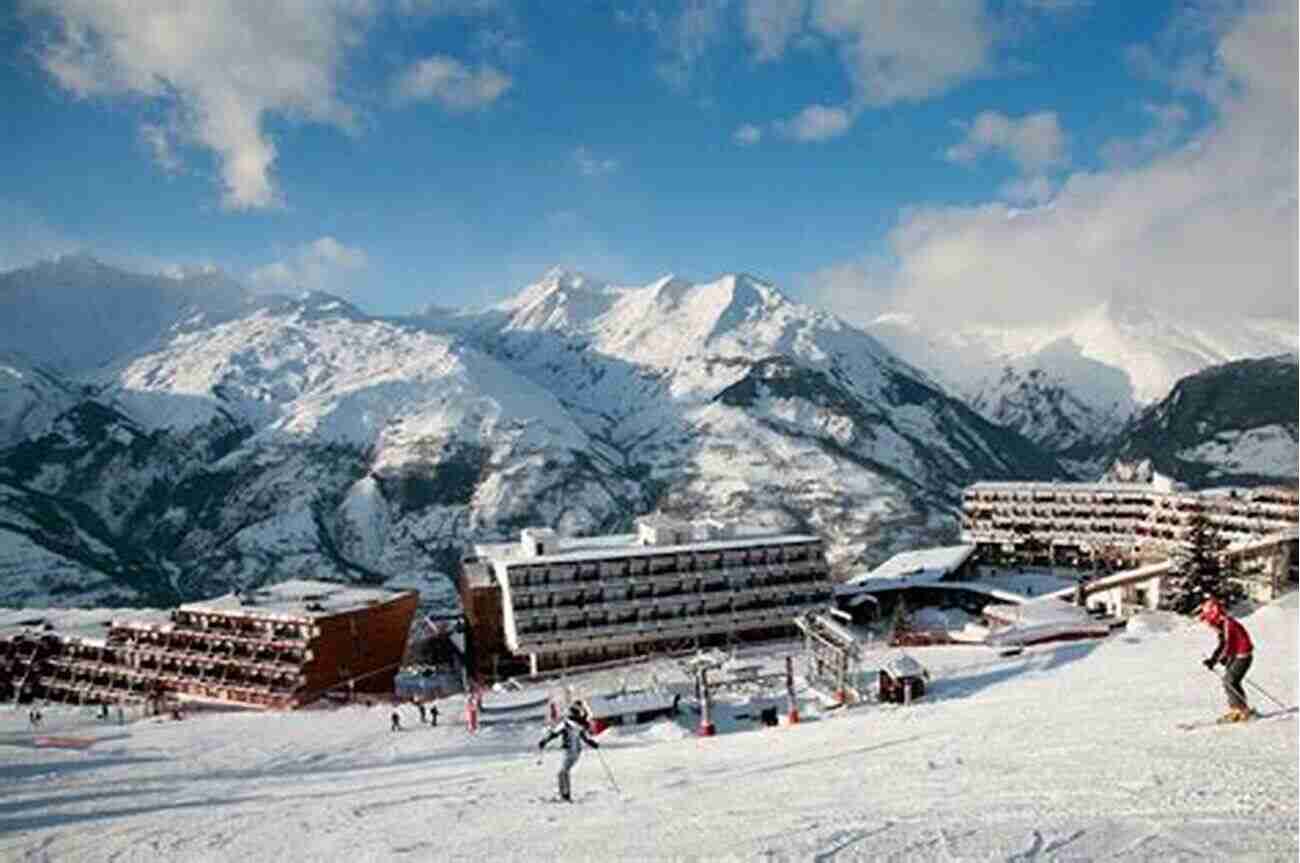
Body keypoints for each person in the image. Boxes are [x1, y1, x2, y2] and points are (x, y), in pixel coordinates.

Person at [1199, 596, 1255, 722]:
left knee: (1229, 681)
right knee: (1231, 681)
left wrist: (1214, 661)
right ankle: (1239, 708)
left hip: (1243, 656)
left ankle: (1241, 710)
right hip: (1237, 655)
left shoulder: (1228, 624)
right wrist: (1220, 658)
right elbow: (1223, 644)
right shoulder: (1223, 624)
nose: (1208, 624)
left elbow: (1226, 644)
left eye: (1208, 618)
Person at [537, 702, 600, 802]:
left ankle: (565, 795)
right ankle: (565, 794)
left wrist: (544, 741)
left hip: (570, 750)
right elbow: (585, 738)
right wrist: (593, 744)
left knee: (562, 772)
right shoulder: (579, 724)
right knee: (563, 772)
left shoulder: (567, 723)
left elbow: (554, 733)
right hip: (576, 751)